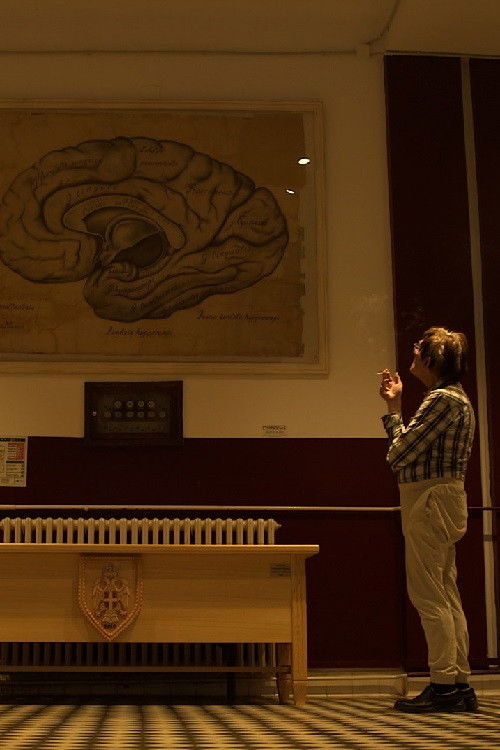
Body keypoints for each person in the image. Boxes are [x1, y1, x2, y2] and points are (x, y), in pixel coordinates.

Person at [379, 326, 478, 713]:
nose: (414, 352)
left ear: (433, 360)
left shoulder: (440, 400)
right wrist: (397, 405)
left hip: (429, 499)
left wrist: (393, 414)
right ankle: (458, 682)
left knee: (428, 594)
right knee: (446, 592)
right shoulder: (459, 398)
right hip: (445, 498)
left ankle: (443, 685)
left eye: (419, 349)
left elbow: (399, 455)